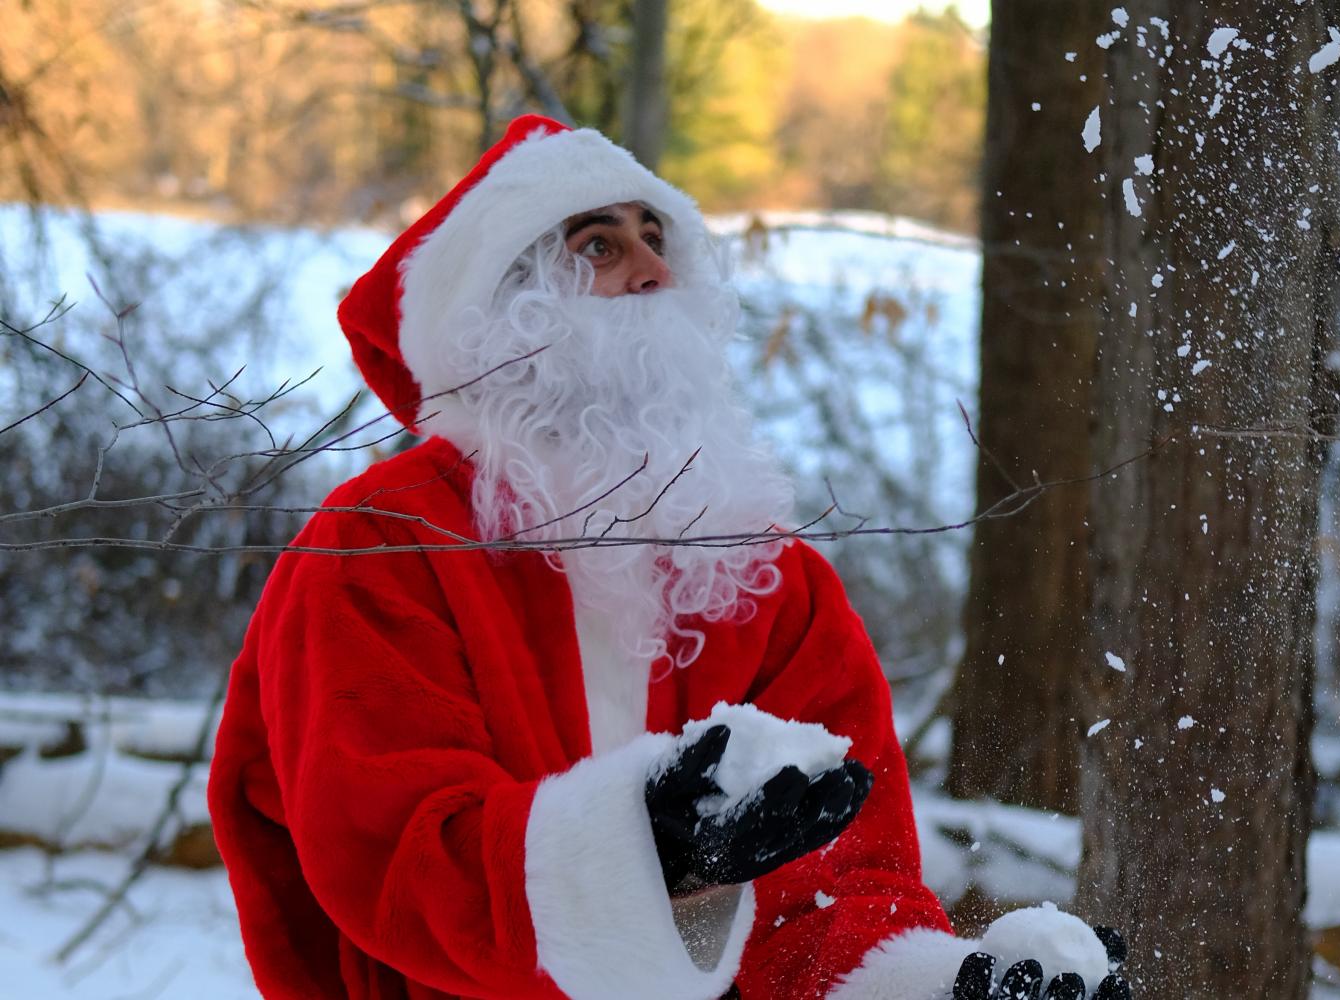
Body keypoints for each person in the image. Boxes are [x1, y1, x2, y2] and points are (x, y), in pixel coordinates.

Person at [208, 115, 1129, 1000]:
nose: (653, 270)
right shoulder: (388, 539)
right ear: (505, 308)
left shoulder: (763, 569)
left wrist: (938, 984)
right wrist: (643, 850)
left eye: (658, 236)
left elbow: (838, 878)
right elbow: (394, 851)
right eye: (600, 246)